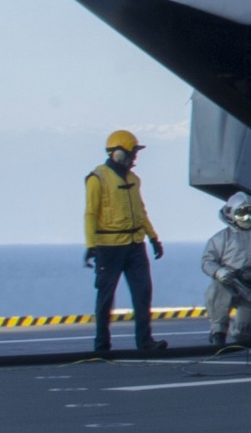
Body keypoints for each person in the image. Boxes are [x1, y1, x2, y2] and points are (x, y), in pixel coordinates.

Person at [85, 129, 166, 353]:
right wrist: (91, 245)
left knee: (143, 294)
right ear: (119, 153)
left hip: (135, 245)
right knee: (105, 296)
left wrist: (153, 237)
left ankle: (145, 342)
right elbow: (90, 213)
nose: (135, 158)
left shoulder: (133, 179)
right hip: (109, 247)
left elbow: (141, 211)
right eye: (133, 152)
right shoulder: (97, 178)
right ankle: (102, 345)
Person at [201, 192, 251, 347]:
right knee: (217, 290)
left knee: (244, 334)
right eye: (242, 214)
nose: (247, 219)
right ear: (231, 214)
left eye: (250, 214)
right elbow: (207, 261)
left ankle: (235, 330)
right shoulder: (221, 238)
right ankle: (218, 332)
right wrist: (219, 272)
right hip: (230, 281)